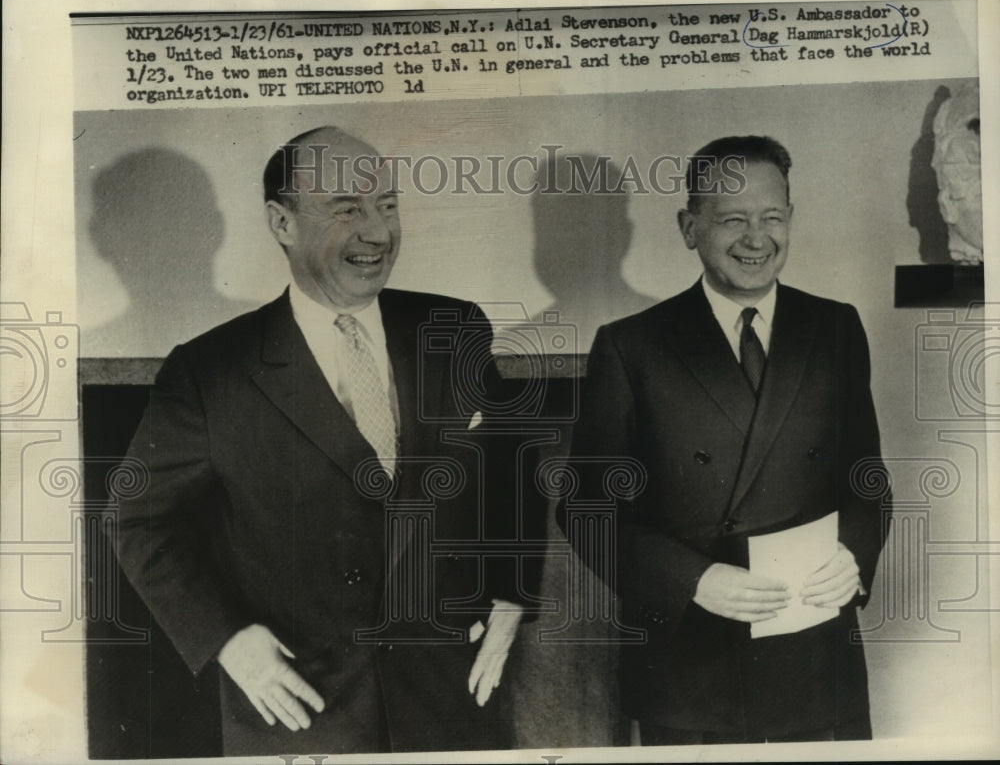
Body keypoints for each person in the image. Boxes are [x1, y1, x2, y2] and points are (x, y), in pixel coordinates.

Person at [109, 126, 526, 755]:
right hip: (300, 705)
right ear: (282, 223)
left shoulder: (456, 327)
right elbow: (135, 518)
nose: (377, 233)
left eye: (387, 206)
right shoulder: (210, 370)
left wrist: (512, 591)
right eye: (346, 210)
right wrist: (224, 638)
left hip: (452, 697)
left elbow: (507, 472)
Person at [558, 135, 889, 744]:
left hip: (816, 657)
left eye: (772, 218)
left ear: (792, 220)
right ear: (689, 228)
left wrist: (855, 556)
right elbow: (585, 508)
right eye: (732, 219)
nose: (756, 239)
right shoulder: (631, 346)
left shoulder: (835, 325)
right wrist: (694, 580)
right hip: (691, 669)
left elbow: (866, 479)